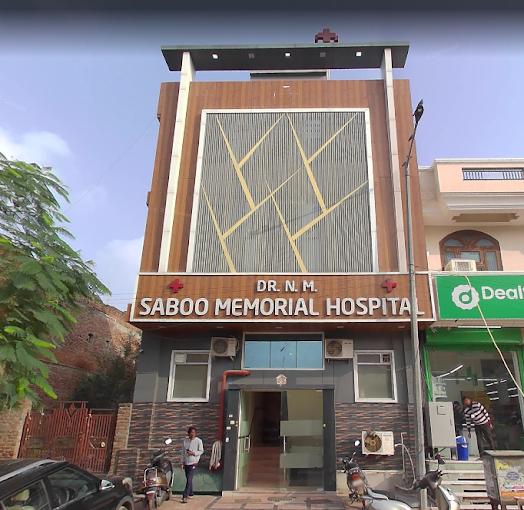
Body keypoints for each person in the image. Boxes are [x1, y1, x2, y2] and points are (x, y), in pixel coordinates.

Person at [181, 426, 204, 503]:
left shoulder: (199, 441)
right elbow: (183, 452)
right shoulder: (185, 441)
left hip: (194, 462)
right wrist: (182, 462)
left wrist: (193, 453)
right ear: (188, 433)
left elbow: (201, 451)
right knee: (188, 479)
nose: (192, 434)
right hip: (186, 462)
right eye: (191, 432)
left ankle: (185, 496)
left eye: (194, 432)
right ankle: (191, 493)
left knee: (189, 479)